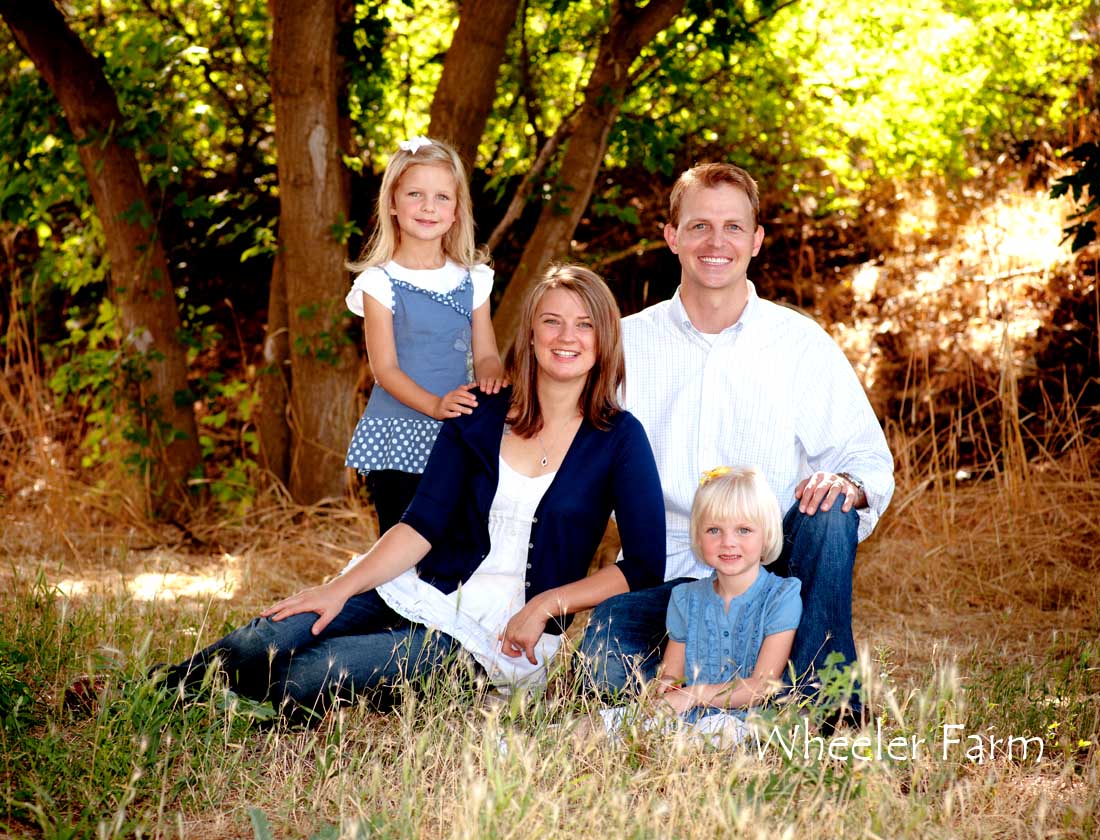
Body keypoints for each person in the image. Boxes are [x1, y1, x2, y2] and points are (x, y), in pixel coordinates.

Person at [161, 266, 665, 725]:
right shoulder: (479, 413)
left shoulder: (618, 438)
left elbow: (643, 564)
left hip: (492, 638)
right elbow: (421, 523)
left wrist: (547, 605)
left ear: (605, 339)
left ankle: (227, 700)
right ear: (531, 334)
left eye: (584, 325)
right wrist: (339, 588)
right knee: (275, 634)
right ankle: (153, 695)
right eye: (552, 322)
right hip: (416, 590)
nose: (566, 337)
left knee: (309, 677)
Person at [581, 163, 894, 719]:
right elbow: (570, 456)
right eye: (699, 226)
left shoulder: (799, 343)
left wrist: (846, 482)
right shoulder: (626, 344)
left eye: (733, 227)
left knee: (830, 507)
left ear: (756, 240)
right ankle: (734, 688)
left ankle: (827, 704)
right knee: (604, 667)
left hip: (771, 576)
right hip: (669, 578)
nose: (716, 242)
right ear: (672, 236)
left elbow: (867, 460)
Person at [344, 136, 505, 535]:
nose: (429, 207)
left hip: (459, 432)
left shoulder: (473, 278)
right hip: (401, 434)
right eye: (415, 194)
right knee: (400, 542)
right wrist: (434, 405)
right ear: (393, 204)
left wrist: (492, 375)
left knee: (456, 538)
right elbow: (385, 369)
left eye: (441, 197)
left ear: (457, 211)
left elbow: (486, 352)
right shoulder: (379, 283)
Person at [590, 466, 801, 746]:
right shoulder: (686, 598)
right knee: (600, 725)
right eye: (714, 530)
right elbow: (672, 675)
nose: (728, 542)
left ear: (767, 535)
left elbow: (761, 687)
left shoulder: (781, 596)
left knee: (712, 734)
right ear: (698, 536)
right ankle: (517, 750)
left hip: (745, 721)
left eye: (744, 530)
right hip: (688, 715)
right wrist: (661, 694)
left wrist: (693, 695)